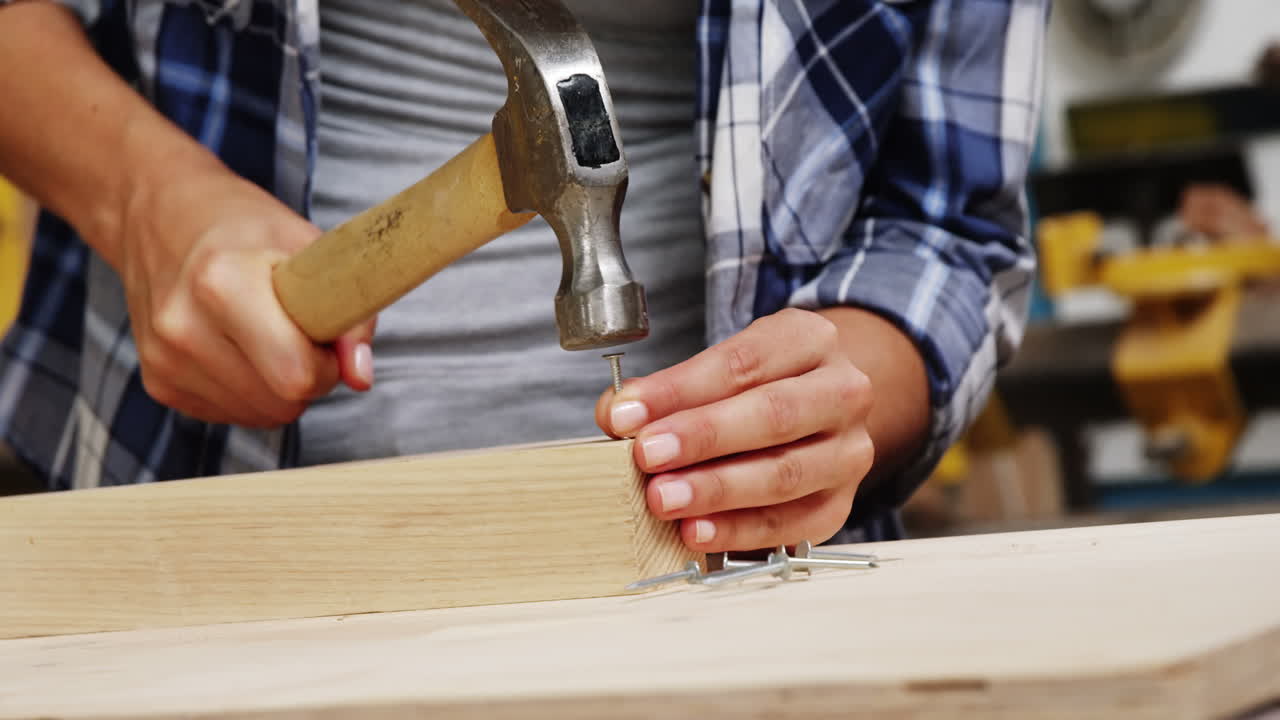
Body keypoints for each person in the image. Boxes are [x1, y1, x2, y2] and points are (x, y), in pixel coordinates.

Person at [0, 0, 1048, 551]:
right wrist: (146, 196)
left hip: (703, 573)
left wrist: (831, 397)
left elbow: (950, 226)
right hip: (179, 529)